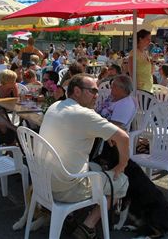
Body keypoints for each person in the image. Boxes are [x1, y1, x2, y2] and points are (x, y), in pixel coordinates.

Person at [39, 74, 129, 238]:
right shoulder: (85, 115)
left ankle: (69, 217)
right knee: (121, 180)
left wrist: (106, 134)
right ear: (77, 91)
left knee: (94, 166)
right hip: (65, 189)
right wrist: (122, 165)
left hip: (42, 182)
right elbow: (124, 138)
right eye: (93, 91)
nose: (97, 95)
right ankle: (88, 227)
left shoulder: (56, 106)